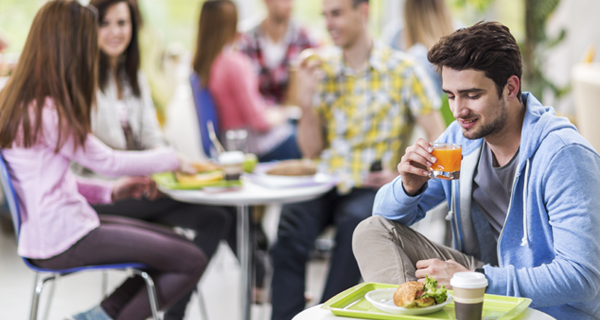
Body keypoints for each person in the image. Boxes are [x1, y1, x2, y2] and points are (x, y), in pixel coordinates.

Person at [352, 21, 600, 320]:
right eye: (451, 95)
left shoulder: (563, 156)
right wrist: (408, 187)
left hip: (549, 308)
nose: (458, 111)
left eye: (471, 95)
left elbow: (582, 278)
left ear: (510, 87)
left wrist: (477, 279)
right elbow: (385, 219)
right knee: (371, 230)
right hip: (479, 281)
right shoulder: (460, 139)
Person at [0, 1, 207, 320]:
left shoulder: (25, 100)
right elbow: (108, 162)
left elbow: (51, 180)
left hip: (57, 229)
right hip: (62, 237)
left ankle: (98, 316)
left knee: (177, 248)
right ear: (69, 46)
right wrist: (172, 158)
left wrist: (109, 193)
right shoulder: (47, 111)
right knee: (190, 258)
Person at [269, 0, 446, 319]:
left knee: (357, 227)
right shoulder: (321, 71)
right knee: (289, 228)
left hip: (371, 186)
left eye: (336, 13)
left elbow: (438, 136)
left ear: (362, 11)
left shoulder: (404, 70)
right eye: (325, 16)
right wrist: (306, 103)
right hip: (326, 180)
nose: (329, 23)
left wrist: (403, 175)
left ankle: (329, 314)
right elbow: (310, 151)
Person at [71, 1, 233, 319]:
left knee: (220, 216)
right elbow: (91, 161)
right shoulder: (78, 79)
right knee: (191, 243)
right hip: (101, 193)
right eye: (105, 24)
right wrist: (153, 166)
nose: (116, 32)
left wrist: (158, 167)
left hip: (140, 187)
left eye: (123, 23)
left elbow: (152, 136)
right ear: (90, 28)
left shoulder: (133, 77)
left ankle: (177, 310)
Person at [192, 0, 300, 162]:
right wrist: (285, 112)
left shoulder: (201, 66)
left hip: (227, 141)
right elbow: (260, 122)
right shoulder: (235, 64)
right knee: (300, 138)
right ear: (233, 24)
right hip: (247, 144)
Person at [237, 0, 317, 106]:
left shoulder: (303, 36)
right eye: (284, 1)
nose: (290, 5)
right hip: (256, 113)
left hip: (292, 113)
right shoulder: (245, 39)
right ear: (267, 2)